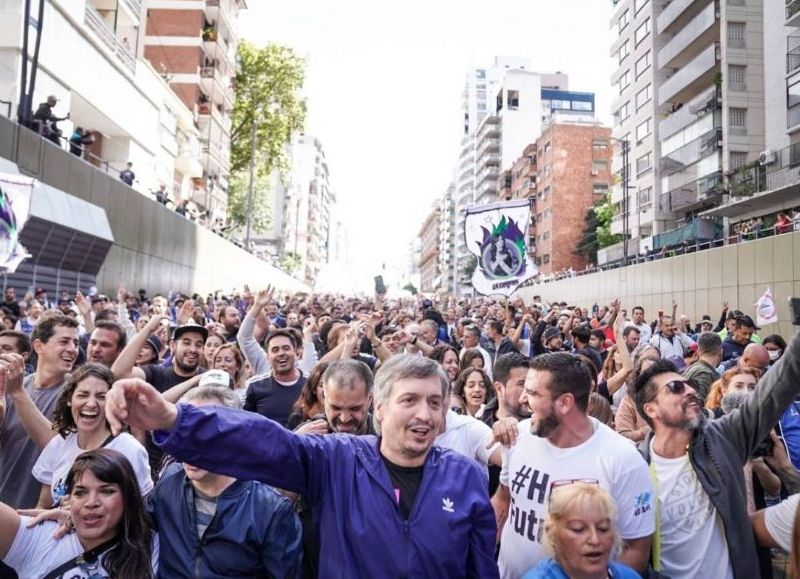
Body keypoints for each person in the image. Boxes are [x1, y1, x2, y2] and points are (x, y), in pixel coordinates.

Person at [105, 354, 499, 577]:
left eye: (435, 403)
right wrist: (175, 421)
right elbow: (265, 443)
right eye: (409, 400)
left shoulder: (463, 475)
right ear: (379, 408)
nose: (424, 414)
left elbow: (480, 569)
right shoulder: (338, 460)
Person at [630, 331, 800, 579]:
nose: (689, 390)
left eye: (690, 384)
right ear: (651, 409)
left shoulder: (725, 437)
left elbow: (779, 385)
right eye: (675, 387)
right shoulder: (636, 468)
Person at [492, 353, 654, 578]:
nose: (522, 400)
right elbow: (504, 499)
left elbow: (636, 548)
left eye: (533, 393)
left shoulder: (623, 459)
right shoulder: (517, 436)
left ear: (565, 402)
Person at [149, 386, 302, 578]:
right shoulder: (169, 482)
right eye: (184, 431)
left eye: (205, 434)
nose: (190, 444)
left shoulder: (269, 509)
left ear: (232, 437)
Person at [0, 449, 156, 578]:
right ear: (69, 500)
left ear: (128, 497)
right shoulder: (42, 536)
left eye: (107, 491)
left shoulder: (152, 545)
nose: (91, 502)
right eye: (80, 493)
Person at [26, 364, 152, 508]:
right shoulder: (59, 443)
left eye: (101, 397)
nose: (91, 403)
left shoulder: (129, 449)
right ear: (69, 400)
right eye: (83, 395)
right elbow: (42, 506)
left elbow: (142, 512)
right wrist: (60, 513)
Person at [0, 313, 79, 509]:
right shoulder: (16, 384)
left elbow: (57, 446)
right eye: (64, 341)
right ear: (38, 346)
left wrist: (17, 393)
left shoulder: (77, 393)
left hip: (40, 513)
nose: (72, 349)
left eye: (75, 343)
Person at [521, 483, 641, 579]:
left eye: (603, 528)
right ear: (552, 534)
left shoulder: (628, 575)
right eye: (578, 529)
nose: (595, 540)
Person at [243, 328, 307, 427]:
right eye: (275, 350)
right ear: (268, 357)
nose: (281, 353)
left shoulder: (311, 383)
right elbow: (247, 425)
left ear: (296, 352)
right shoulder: (255, 386)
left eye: (286, 348)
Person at [682, 331, 723, 403]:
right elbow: (696, 404)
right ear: (720, 351)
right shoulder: (704, 373)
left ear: (698, 351)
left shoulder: (693, 368)